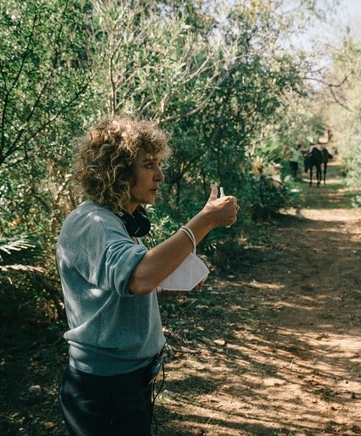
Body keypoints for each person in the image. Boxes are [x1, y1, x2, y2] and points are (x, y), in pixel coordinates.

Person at [56, 117, 238, 435]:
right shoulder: (92, 222)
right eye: (148, 165)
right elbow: (139, 277)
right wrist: (204, 221)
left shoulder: (119, 221)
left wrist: (164, 285)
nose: (160, 175)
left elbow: (124, 287)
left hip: (129, 379)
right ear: (118, 169)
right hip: (103, 388)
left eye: (158, 164)